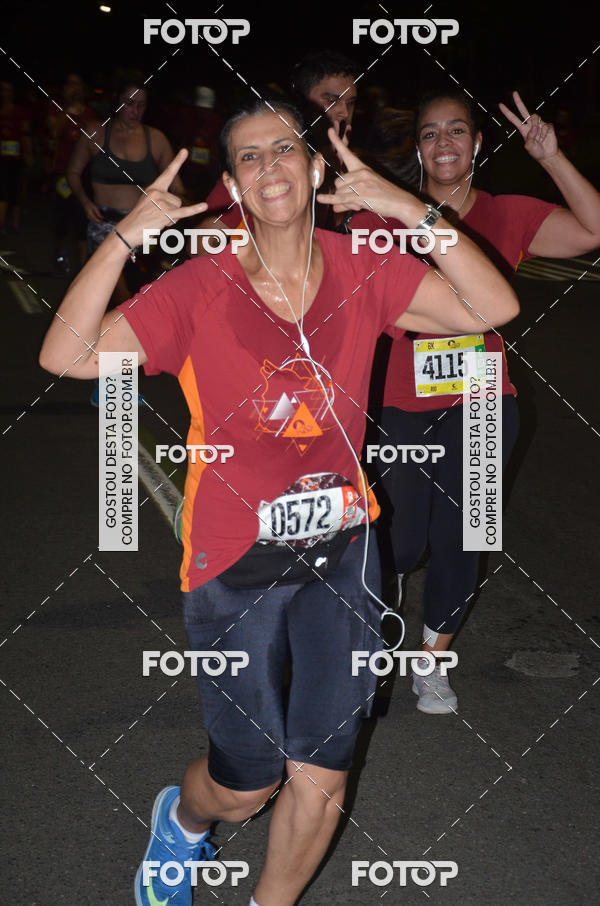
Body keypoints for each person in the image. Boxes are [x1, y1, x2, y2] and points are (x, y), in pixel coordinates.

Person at [39, 98, 518, 906]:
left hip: (347, 553)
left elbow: (490, 309)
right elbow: (67, 352)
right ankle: (183, 819)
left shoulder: (364, 266)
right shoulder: (199, 287)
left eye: (285, 148)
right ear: (232, 185)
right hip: (234, 563)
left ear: (316, 166)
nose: (271, 167)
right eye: (250, 157)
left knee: (323, 775)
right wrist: (125, 238)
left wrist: (408, 209)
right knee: (248, 782)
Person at [376, 89, 600, 714]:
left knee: (464, 535)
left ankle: (432, 661)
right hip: (399, 397)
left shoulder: (507, 213)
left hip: (481, 394)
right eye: (430, 133)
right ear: (417, 148)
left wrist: (551, 157)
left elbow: (594, 228)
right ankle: (382, 614)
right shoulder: (389, 216)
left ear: (477, 143)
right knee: (400, 542)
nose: (444, 143)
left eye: (457, 130)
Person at [199, 50, 361, 234]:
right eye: (332, 100)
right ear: (303, 102)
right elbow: (202, 240)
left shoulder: (356, 168)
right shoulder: (260, 166)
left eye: (350, 103)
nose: (344, 112)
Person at [66, 73, 184, 300]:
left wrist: (176, 207)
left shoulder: (156, 139)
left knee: (141, 287)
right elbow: (72, 172)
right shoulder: (96, 131)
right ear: (117, 101)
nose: (135, 111)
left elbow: (177, 187)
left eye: (141, 105)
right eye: (129, 103)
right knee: (119, 291)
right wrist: (85, 202)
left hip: (143, 224)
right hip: (104, 223)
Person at [43, 73, 95, 273]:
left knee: (82, 217)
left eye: (77, 85)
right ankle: (60, 254)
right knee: (62, 216)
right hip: (62, 173)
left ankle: (82, 265)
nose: (74, 88)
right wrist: (68, 110)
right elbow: (54, 131)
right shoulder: (56, 109)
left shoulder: (89, 113)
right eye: (70, 85)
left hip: (84, 174)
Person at [0, 79, 32, 232]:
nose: (5, 93)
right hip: (1, 160)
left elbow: (26, 134)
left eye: (8, 90)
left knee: (16, 191)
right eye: (2, 90)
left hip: (16, 160)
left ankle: (15, 223)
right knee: (2, 191)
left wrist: (28, 153)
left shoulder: (19, 112)